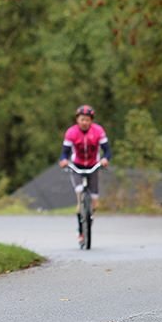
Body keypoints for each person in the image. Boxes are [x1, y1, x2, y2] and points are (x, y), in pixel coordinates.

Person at [58, 104, 111, 246]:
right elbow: (65, 152)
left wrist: (105, 159)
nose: (85, 122)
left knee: (94, 203)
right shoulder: (71, 133)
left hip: (93, 166)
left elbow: (107, 150)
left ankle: (88, 222)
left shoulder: (98, 131)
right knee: (80, 195)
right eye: (82, 119)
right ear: (77, 120)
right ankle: (81, 231)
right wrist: (63, 160)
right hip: (77, 166)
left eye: (88, 120)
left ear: (91, 120)